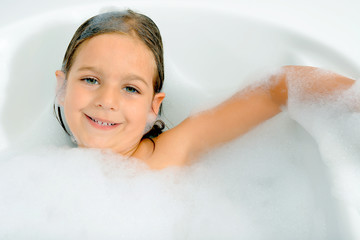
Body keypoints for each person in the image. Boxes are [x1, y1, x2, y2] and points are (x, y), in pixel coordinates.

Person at [54, 10, 356, 170]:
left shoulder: (171, 153)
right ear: (62, 86)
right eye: (91, 80)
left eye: (131, 88)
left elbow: (278, 88)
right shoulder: (42, 175)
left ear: (153, 106)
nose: (107, 101)